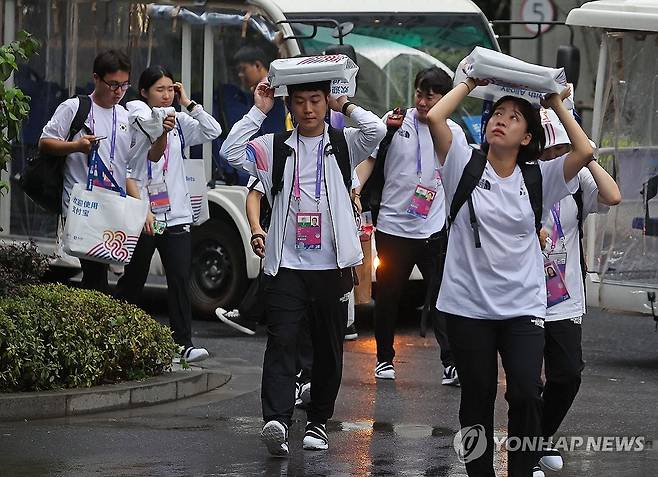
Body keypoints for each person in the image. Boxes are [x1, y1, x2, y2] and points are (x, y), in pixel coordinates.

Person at [427, 76, 595, 477]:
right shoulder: (462, 165)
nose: (501, 120)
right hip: (468, 306)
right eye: (497, 113)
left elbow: (585, 149)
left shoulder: (538, 177)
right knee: (477, 398)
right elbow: (435, 117)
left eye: (514, 117)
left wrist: (554, 101)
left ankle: (521, 469)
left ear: (526, 137)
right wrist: (469, 82)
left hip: (522, 306)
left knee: (524, 391)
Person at [221, 75, 385, 456]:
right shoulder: (273, 147)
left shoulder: (345, 143)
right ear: (289, 105)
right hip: (286, 264)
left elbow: (376, 130)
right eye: (299, 101)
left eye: (316, 100)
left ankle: (318, 422)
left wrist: (345, 105)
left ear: (326, 102)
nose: (308, 109)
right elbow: (229, 151)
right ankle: (276, 419)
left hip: (332, 265)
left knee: (328, 347)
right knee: (282, 340)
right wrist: (258, 111)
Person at [355, 66, 460, 384]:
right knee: (388, 294)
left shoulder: (452, 130)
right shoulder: (396, 122)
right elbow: (371, 159)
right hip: (392, 226)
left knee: (443, 295)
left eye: (431, 95)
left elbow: (461, 175)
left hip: (432, 228)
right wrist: (355, 189)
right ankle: (384, 359)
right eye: (419, 93)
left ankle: (451, 361)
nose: (423, 100)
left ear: (446, 97)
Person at [115, 65, 222, 363]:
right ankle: (121, 338)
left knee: (178, 278)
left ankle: (182, 343)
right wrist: (163, 118)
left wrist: (187, 102)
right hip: (143, 212)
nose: (166, 96)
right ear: (145, 91)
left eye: (169, 90)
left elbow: (213, 131)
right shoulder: (134, 116)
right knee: (133, 279)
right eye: (159, 90)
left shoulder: (179, 121)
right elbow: (149, 125)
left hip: (174, 215)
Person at [535, 109, 621, 476]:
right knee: (525, 381)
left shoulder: (578, 178)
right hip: (521, 295)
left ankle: (538, 437)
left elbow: (613, 196)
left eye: (562, 149)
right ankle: (530, 450)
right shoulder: (523, 177)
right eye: (549, 150)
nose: (555, 156)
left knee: (567, 375)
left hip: (564, 297)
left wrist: (588, 158)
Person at [39, 50, 132, 294]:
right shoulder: (75, 107)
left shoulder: (126, 115)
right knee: (94, 270)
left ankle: (90, 322)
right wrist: (76, 146)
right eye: (113, 84)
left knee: (99, 274)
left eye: (124, 85)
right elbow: (45, 142)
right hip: (82, 203)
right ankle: (97, 323)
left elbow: (130, 162)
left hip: (113, 205)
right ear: (96, 78)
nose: (119, 91)